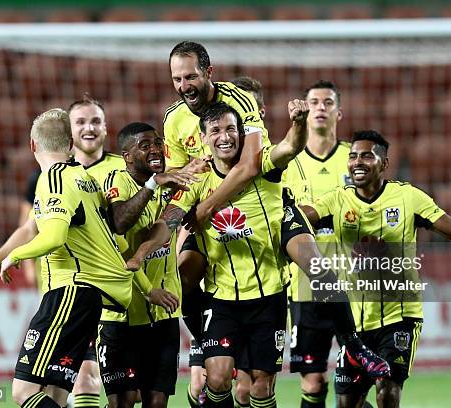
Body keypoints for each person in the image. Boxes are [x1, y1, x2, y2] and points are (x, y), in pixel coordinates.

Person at [165, 42, 387, 388]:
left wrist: (208, 206)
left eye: (190, 76)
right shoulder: (174, 120)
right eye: (177, 79)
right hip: (213, 211)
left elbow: (258, 161)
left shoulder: (240, 101)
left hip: (266, 207)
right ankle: (204, 341)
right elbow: (180, 178)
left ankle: (353, 345)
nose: (184, 85)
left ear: (209, 72)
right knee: (182, 273)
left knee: (317, 267)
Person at [300, 130, 451, 408]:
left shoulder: (408, 197)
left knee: (387, 391)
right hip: (354, 322)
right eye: (353, 156)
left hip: (399, 316)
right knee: (347, 405)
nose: (358, 162)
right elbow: (300, 218)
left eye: (367, 156)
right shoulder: (336, 200)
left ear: (384, 163)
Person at [128, 101, 311, 408]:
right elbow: (169, 220)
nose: (224, 137)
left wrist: (300, 122)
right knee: (217, 377)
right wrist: (144, 250)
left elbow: (291, 145)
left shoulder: (262, 164)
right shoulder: (196, 180)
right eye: (215, 131)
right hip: (222, 298)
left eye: (230, 129)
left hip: (270, 295)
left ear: (241, 134)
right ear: (203, 139)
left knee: (261, 386)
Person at [0, 108, 138, 408]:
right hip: (91, 297)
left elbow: (53, 237)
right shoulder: (86, 179)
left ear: (32, 145)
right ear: (69, 145)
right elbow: (115, 241)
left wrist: (15, 255)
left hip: (71, 291)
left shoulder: (52, 179)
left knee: (23, 391)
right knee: (56, 393)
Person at [98, 122, 195, 408]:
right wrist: (153, 184)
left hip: (164, 314)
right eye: (145, 145)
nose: (155, 150)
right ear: (127, 155)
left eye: (157, 143)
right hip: (121, 317)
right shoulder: (115, 181)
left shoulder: (173, 183)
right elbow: (120, 222)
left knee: (156, 402)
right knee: (123, 402)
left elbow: (168, 224)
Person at [282, 80, 352, 408]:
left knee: (356, 377)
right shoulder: (287, 162)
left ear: (340, 112)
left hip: (352, 285)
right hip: (304, 288)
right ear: (305, 110)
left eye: (328, 102)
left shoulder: (356, 158)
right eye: (314, 102)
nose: (321, 107)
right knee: (312, 381)